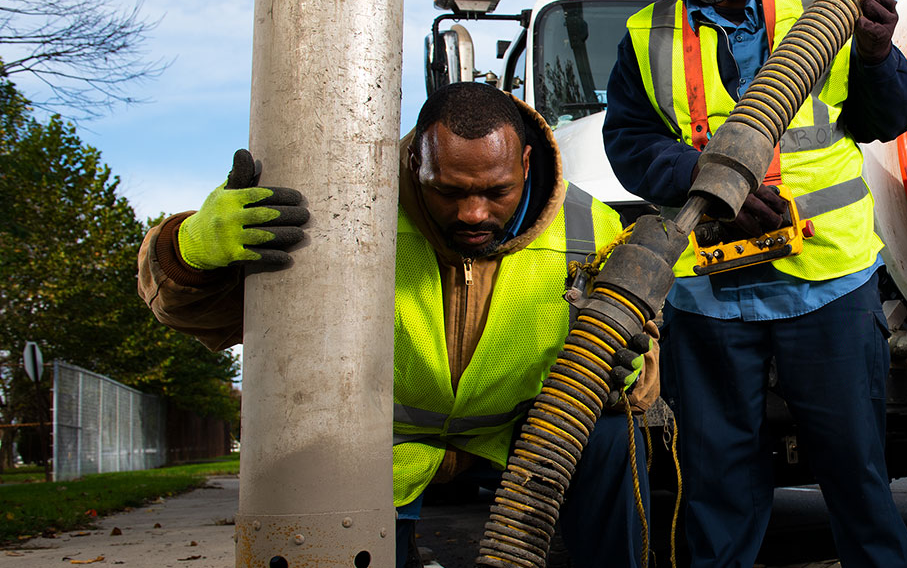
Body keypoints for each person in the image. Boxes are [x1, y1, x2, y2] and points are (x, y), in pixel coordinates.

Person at [136, 82, 655, 568]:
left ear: (525, 163)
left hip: (514, 433)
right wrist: (187, 252)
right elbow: (193, 315)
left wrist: (628, 370)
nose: (474, 213)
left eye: (497, 191)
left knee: (612, 433)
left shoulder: (592, 228)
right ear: (413, 162)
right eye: (448, 191)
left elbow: (642, 354)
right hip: (377, 447)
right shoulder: (345, 211)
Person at [602, 0, 907, 566]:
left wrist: (874, 56)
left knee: (858, 477)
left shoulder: (817, 9)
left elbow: (888, 118)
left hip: (826, 284)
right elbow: (628, 144)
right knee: (716, 489)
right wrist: (708, 179)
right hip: (710, 295)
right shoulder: (647, 33)